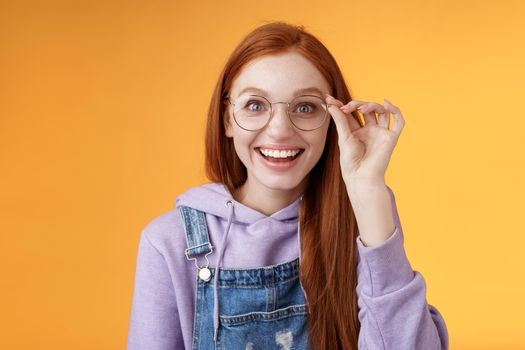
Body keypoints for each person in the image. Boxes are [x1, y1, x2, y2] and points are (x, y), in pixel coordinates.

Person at [126, 21, 449, 350]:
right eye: (255, 106)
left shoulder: (363, 226)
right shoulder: (168, 242)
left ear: (334, 122)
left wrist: (369, 191)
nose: (280, 130)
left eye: (306, 107)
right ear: (227, 119)